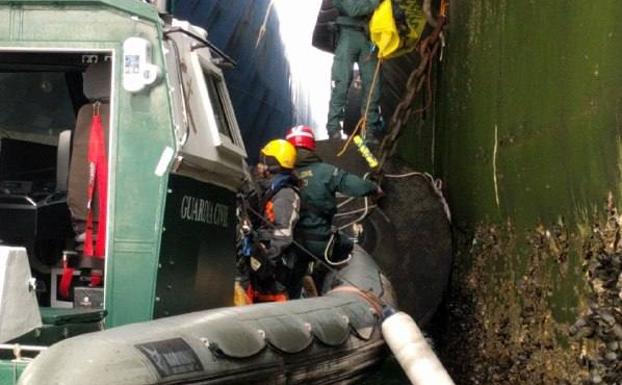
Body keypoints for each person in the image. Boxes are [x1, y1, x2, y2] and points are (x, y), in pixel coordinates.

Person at [285, 125, 382, 292]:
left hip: (294, 245)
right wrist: (374, 188)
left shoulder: (284, 176)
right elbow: (354, 185)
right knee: (347, 246)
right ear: (311, 147)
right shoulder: (326, 172)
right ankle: (330, 284)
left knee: (292, 280)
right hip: (322, 244)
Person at [244, 139, 301, 303]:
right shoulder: (269, 191)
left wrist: (266, 259)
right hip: (261, 261)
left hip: (274, 270)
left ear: (272, 166)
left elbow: (283, 233)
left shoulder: (285, 195)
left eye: (262, 162)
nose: (258, 166)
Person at [326, 0, 383, 143]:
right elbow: (353, 9)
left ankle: (369, 131)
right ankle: (334, 129)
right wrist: (377, 3)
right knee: (341, 82)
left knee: (373, 85)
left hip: (368, 36)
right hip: (348, 34)